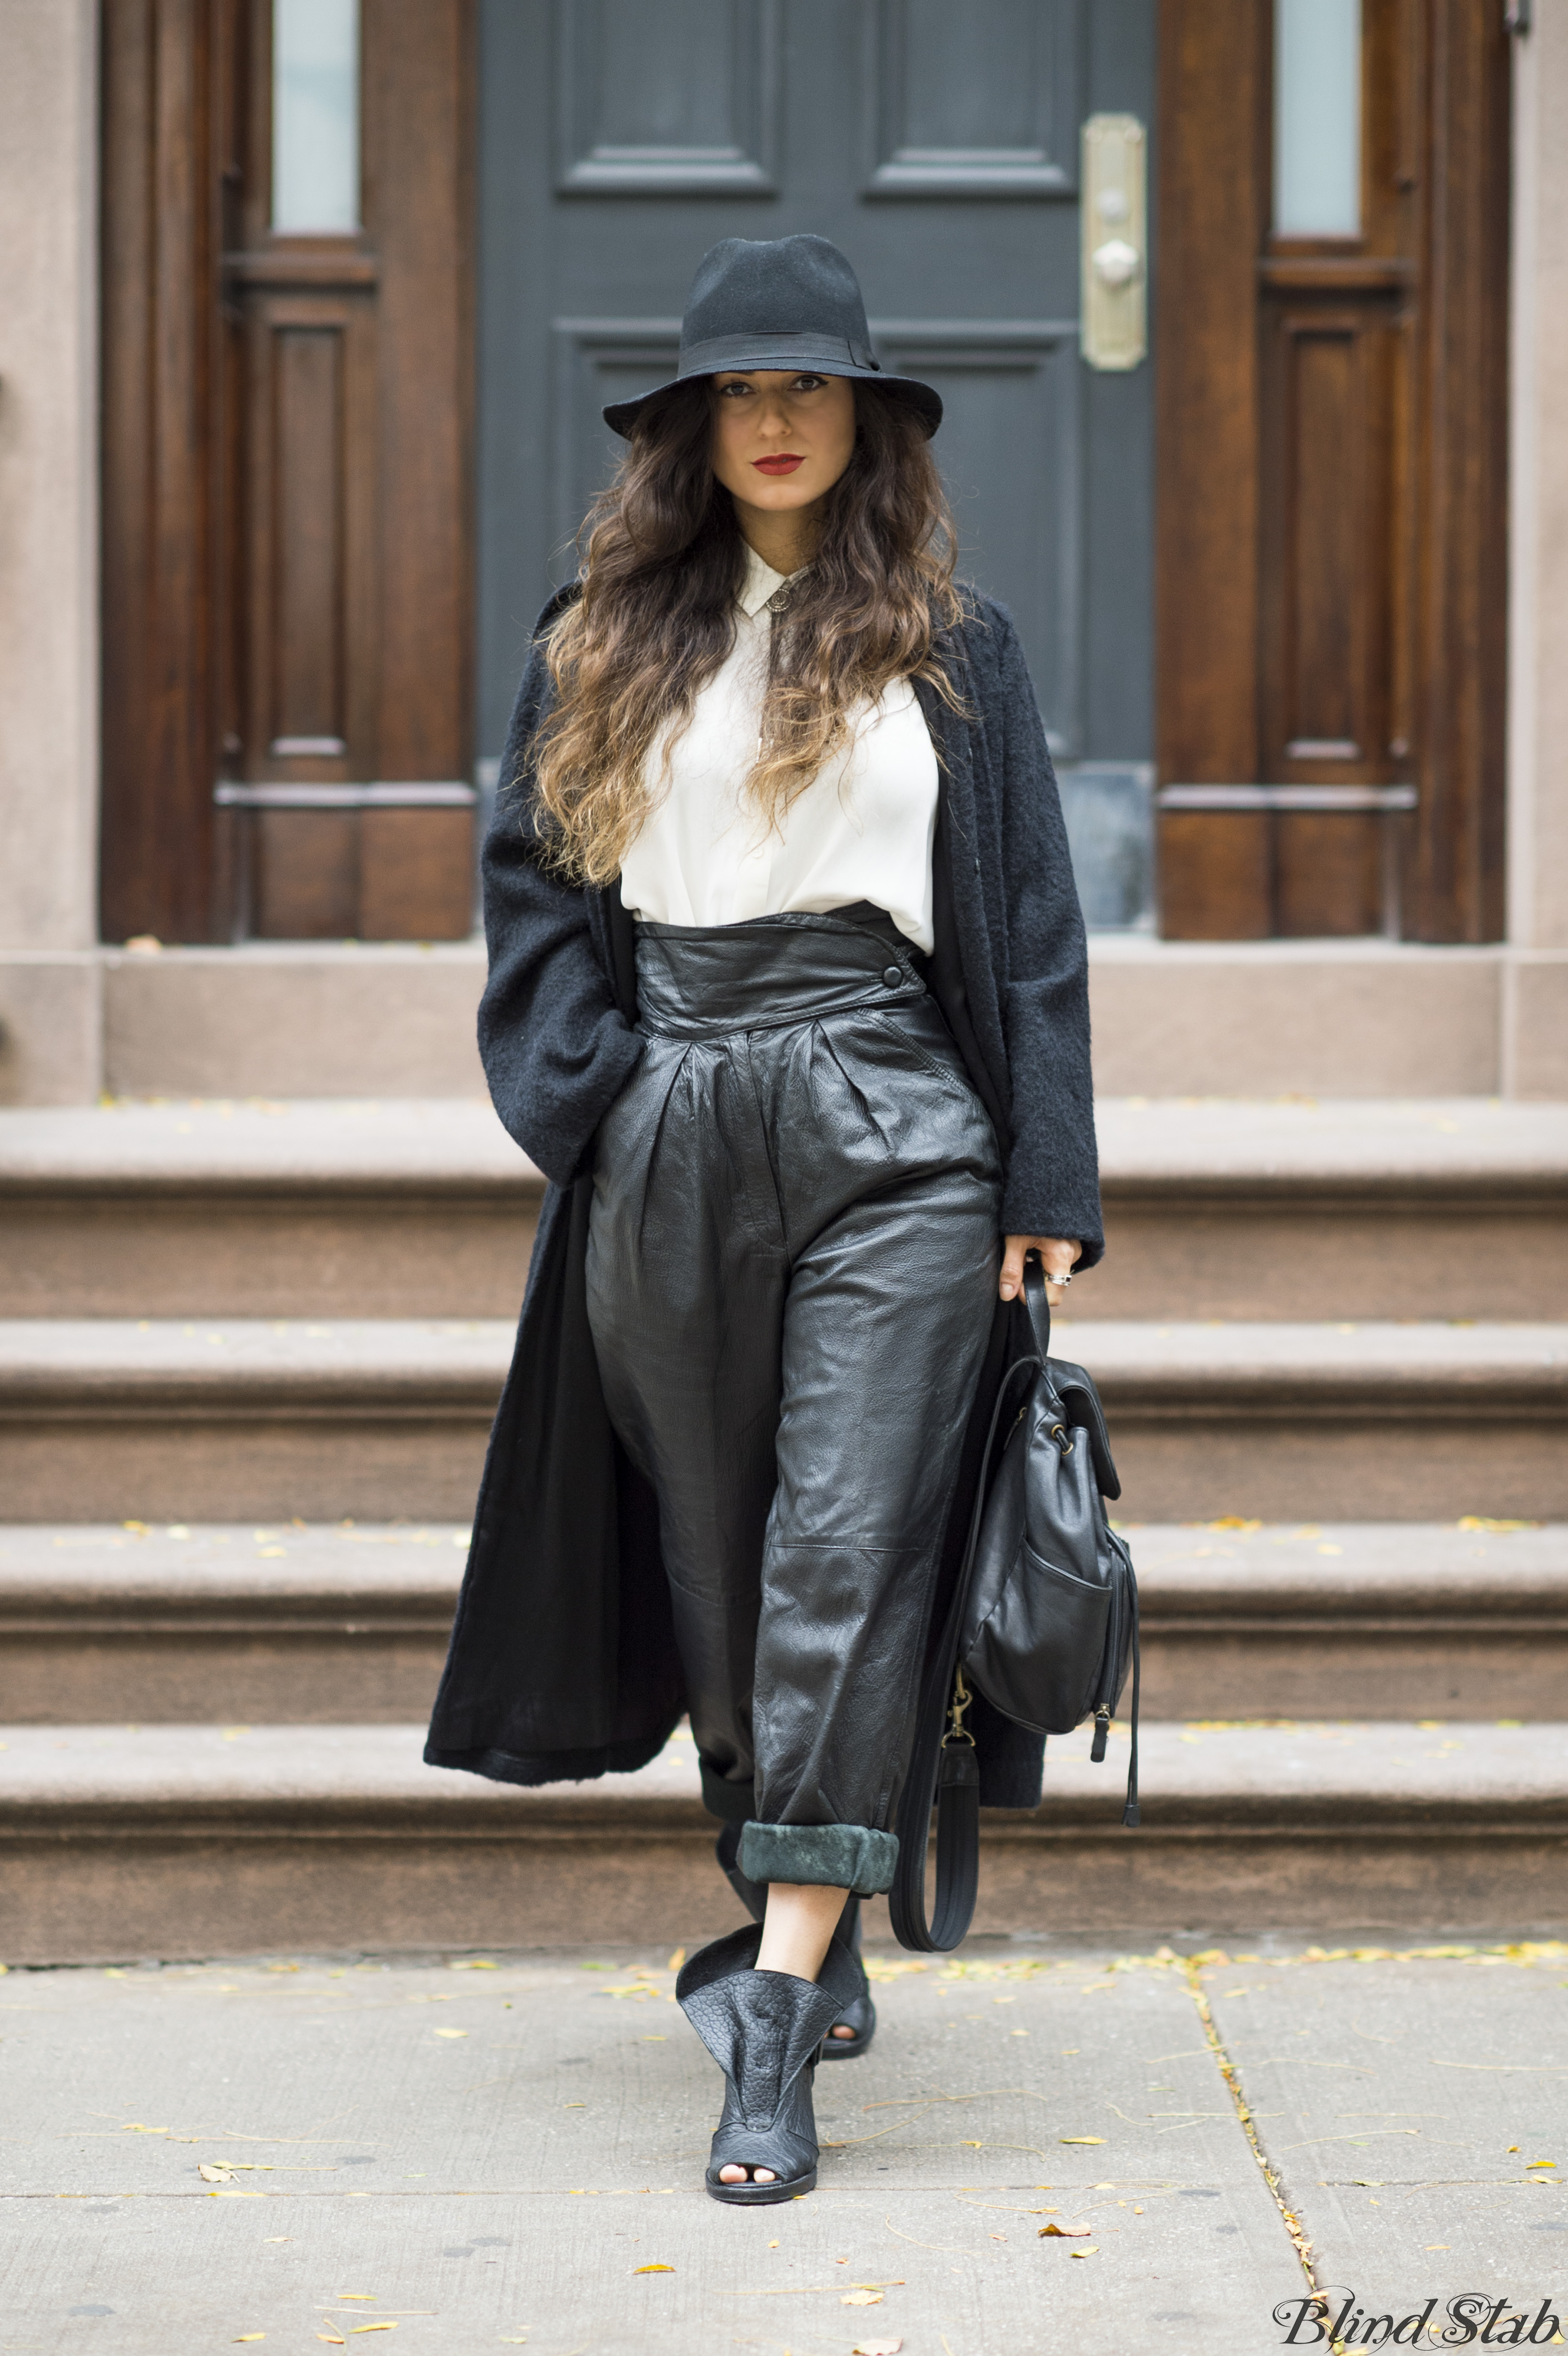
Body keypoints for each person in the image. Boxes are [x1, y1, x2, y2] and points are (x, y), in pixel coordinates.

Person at [425, 234, 1102, 2205]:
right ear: (693, 428)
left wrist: (1043, 1180)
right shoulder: (603, 631)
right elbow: (538, 899)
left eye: (815, 389)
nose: (782, 420)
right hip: (673, 1112)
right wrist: (593, 1103)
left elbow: (1035, 938)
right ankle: (791, 1865)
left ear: (870, 419)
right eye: (744, 390)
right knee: (719, 1568)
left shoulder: (951, 646)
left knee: (838, 1549)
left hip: (900, 1115)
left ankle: (781, 2016)